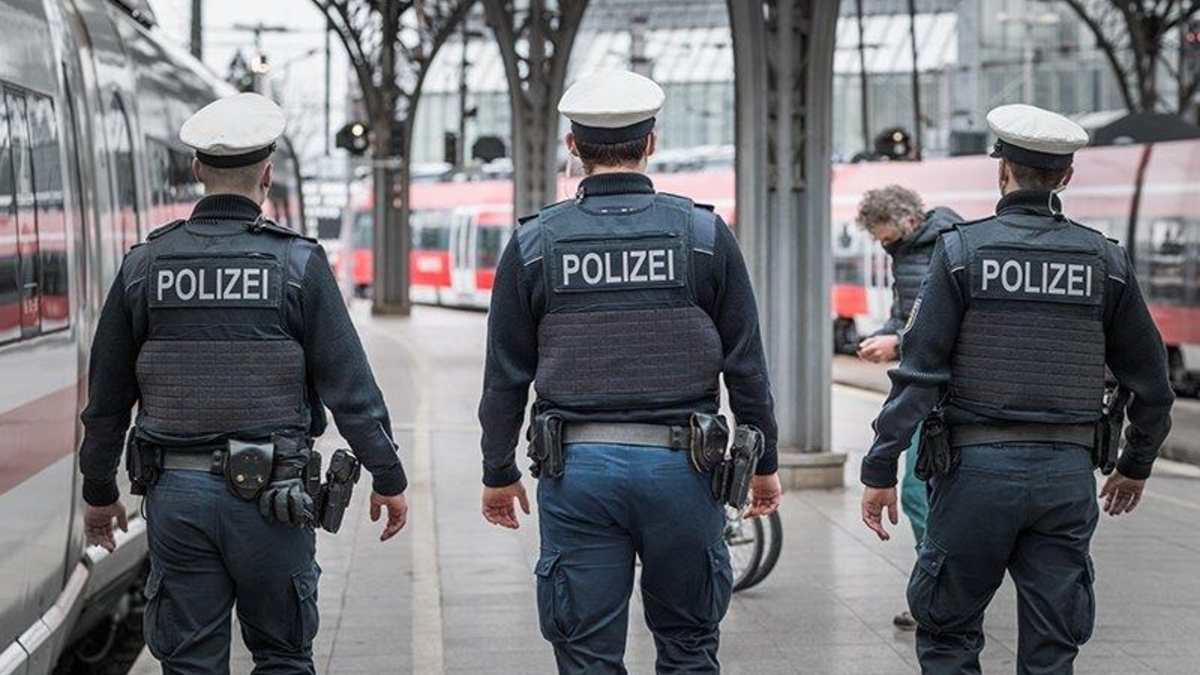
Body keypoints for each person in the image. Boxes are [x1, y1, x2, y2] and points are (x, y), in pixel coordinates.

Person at [79, 93, 410, 675]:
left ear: (197, 170)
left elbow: (106, 401)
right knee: (282, 656)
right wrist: (388, 475)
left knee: (189, 663)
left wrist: (99, 491)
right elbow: (350, 388)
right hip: (273, 500)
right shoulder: (297, 264)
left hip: (175, 496)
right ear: (268, 172)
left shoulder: (144, 266)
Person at [477, 70, 782, 675]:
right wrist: (765, 465)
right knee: (689, 646)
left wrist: (498, 471)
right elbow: (746, 363)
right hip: (685, 472)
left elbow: (505, 375)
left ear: (572, 146)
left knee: (587, 653)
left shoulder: (536, 244)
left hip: (578, 474)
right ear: (651, 143)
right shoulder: (702, 235)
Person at [860, 103, 1174, 674]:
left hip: (974, 474)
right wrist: (1135, 464)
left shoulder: (960, 252)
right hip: (1066, 477)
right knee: (1054, 644)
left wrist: (880, 467)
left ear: (1001, 170)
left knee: (949, 632)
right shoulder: (1106, 262)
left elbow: (919, 375)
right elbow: (1152, 386)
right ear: (1066, 178)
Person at [855, 185, 961, 631]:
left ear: (909, 222)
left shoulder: (944, 246)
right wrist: (889, 332)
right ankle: (944, 591)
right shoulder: (910, 251)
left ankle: (939, 594)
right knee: (933, 495)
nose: (883, 245)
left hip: (938, 395)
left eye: (884, 236)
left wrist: (897, 342)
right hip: (929, 391)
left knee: (919, 492)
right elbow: (911, 315)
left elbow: (950, 326)